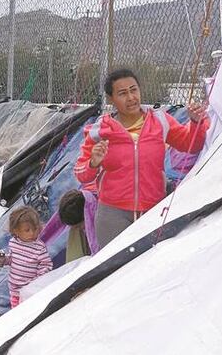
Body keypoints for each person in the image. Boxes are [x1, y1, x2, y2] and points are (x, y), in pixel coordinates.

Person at [75, 68, 209, 248]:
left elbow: (190, 145)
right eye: (122, 93)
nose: (131, 98)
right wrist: (93, 163)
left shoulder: (161, 121)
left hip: (154, 211)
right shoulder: (100, 130)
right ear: (111, 99)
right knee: (115, 272)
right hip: (112, 215)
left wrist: (195, 122)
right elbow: (81, 174)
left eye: (134, 90)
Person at [0, 206, 53, 308]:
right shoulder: (13, 243)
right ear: (16, 231)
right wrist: (4, 260)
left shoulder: (39, 247)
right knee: (18, 313)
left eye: (35, 229)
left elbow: (46, 266)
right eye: (27, 230)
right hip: (14, 290)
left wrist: (36, 282)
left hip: (30, 290)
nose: (32, 233)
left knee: (29, 311)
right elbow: (13, 259)